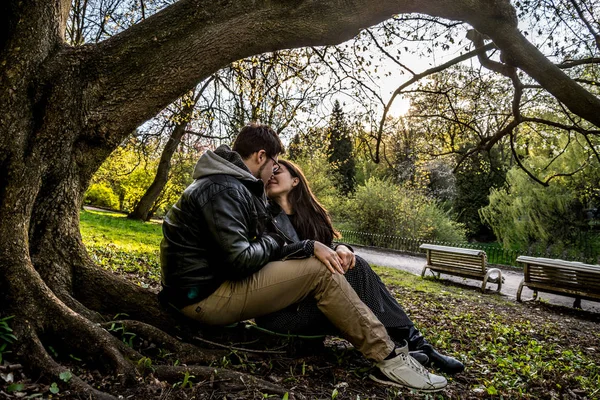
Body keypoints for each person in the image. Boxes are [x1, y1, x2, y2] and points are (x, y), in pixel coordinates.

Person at [159, 123, 447, 392]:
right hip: (204, 299)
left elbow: (245, 254)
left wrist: (314, 246)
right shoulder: (225, 188)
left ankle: (401, 344)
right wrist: (282, 242)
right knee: (320, 272)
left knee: (339, 267)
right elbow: (240, 260)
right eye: (273, 164)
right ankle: (391, 359)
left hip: (208, 289)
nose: (272, 171)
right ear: (262, 156)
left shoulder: (229, 185)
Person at [257, 159, 464, 375]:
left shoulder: (312, 217)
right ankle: (405, 346)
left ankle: (413, 346)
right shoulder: (262, 216)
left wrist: (344, 249)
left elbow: (326, 250)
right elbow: (270, 254)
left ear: (295, 181)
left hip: (314, 303)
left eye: (277, 170)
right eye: (268, 171)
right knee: (358, 270)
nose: (271, 175)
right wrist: (309, 247)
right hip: (284, 312)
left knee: (354, 265)